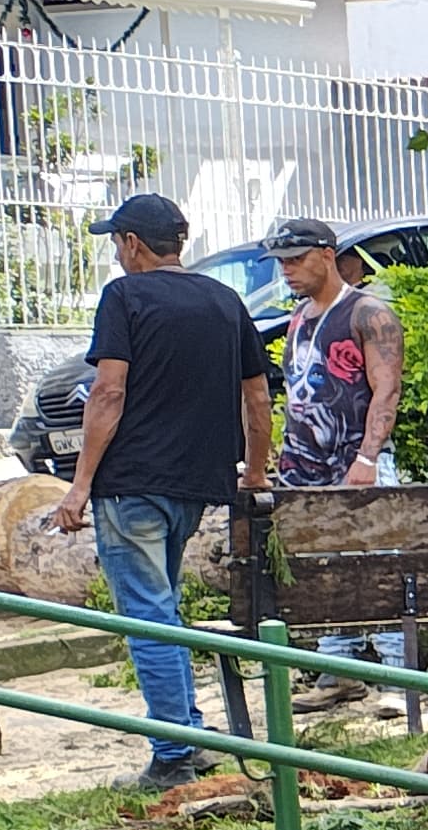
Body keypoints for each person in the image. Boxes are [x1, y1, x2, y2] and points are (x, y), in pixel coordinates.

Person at [48, 191, 270, 790]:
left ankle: (174, 752)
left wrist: (79, 485)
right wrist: (253, 470)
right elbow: (257, 397)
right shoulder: (226, 302)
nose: (118, 255)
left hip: (131, 486)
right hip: (196, 487)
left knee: (148, 617)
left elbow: (108, 393)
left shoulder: (123, 297)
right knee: (163, 609)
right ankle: (187, 734)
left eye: (117, 243)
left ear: (133, 244)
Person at [260, 218, 410, 705]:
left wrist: (368, 455)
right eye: (281, 261)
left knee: (380, 558)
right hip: (308, 464)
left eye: (296, 259)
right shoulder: (301, 316)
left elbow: (385, 390)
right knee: (323, 564)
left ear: (326, 254)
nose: (286, 270)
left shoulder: (369, 313)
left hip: (356, 457)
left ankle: (398, 677)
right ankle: (337, 667)